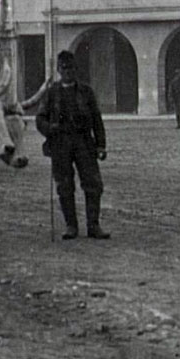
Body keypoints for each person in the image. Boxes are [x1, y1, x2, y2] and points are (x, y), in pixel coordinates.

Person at [36, 50, 108, 239]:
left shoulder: (86, 91)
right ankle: (71, 226)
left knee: (93, 183)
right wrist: (49, 128)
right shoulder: (51, 93)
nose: (68, 72)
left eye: (71, 68)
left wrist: (101, 145)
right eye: (64, 68)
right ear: (59, 70)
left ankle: (93, 225)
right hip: (60, 144)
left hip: (84, 142)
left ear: (76, 70)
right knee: (64, 184)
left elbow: (96, 119)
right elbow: (40, 118)